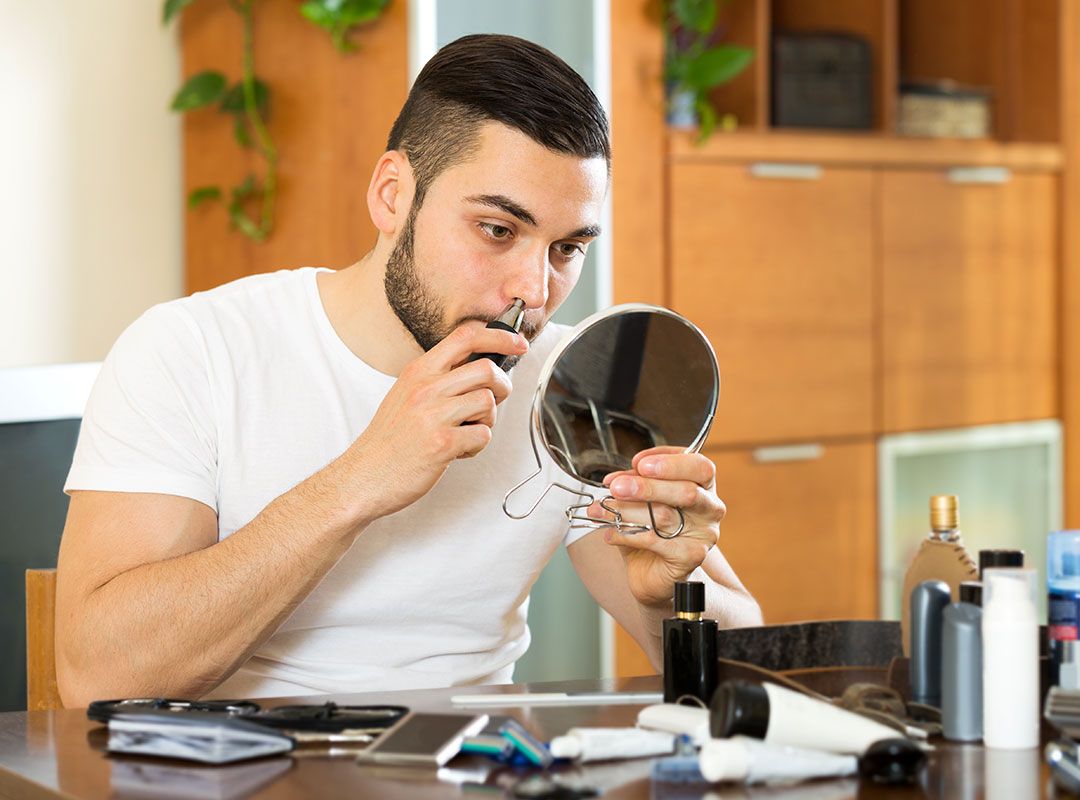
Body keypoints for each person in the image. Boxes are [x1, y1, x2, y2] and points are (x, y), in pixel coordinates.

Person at [54, 34, 762, 707]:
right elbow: (97, 676)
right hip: (244, 770)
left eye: (567, 248)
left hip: (481, 765)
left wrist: (674, 586)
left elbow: (747, 694)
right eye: (497, 230)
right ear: (393, 195)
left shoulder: (572, 381)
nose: (533, 291)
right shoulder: (192, 351)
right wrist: (361, 479)